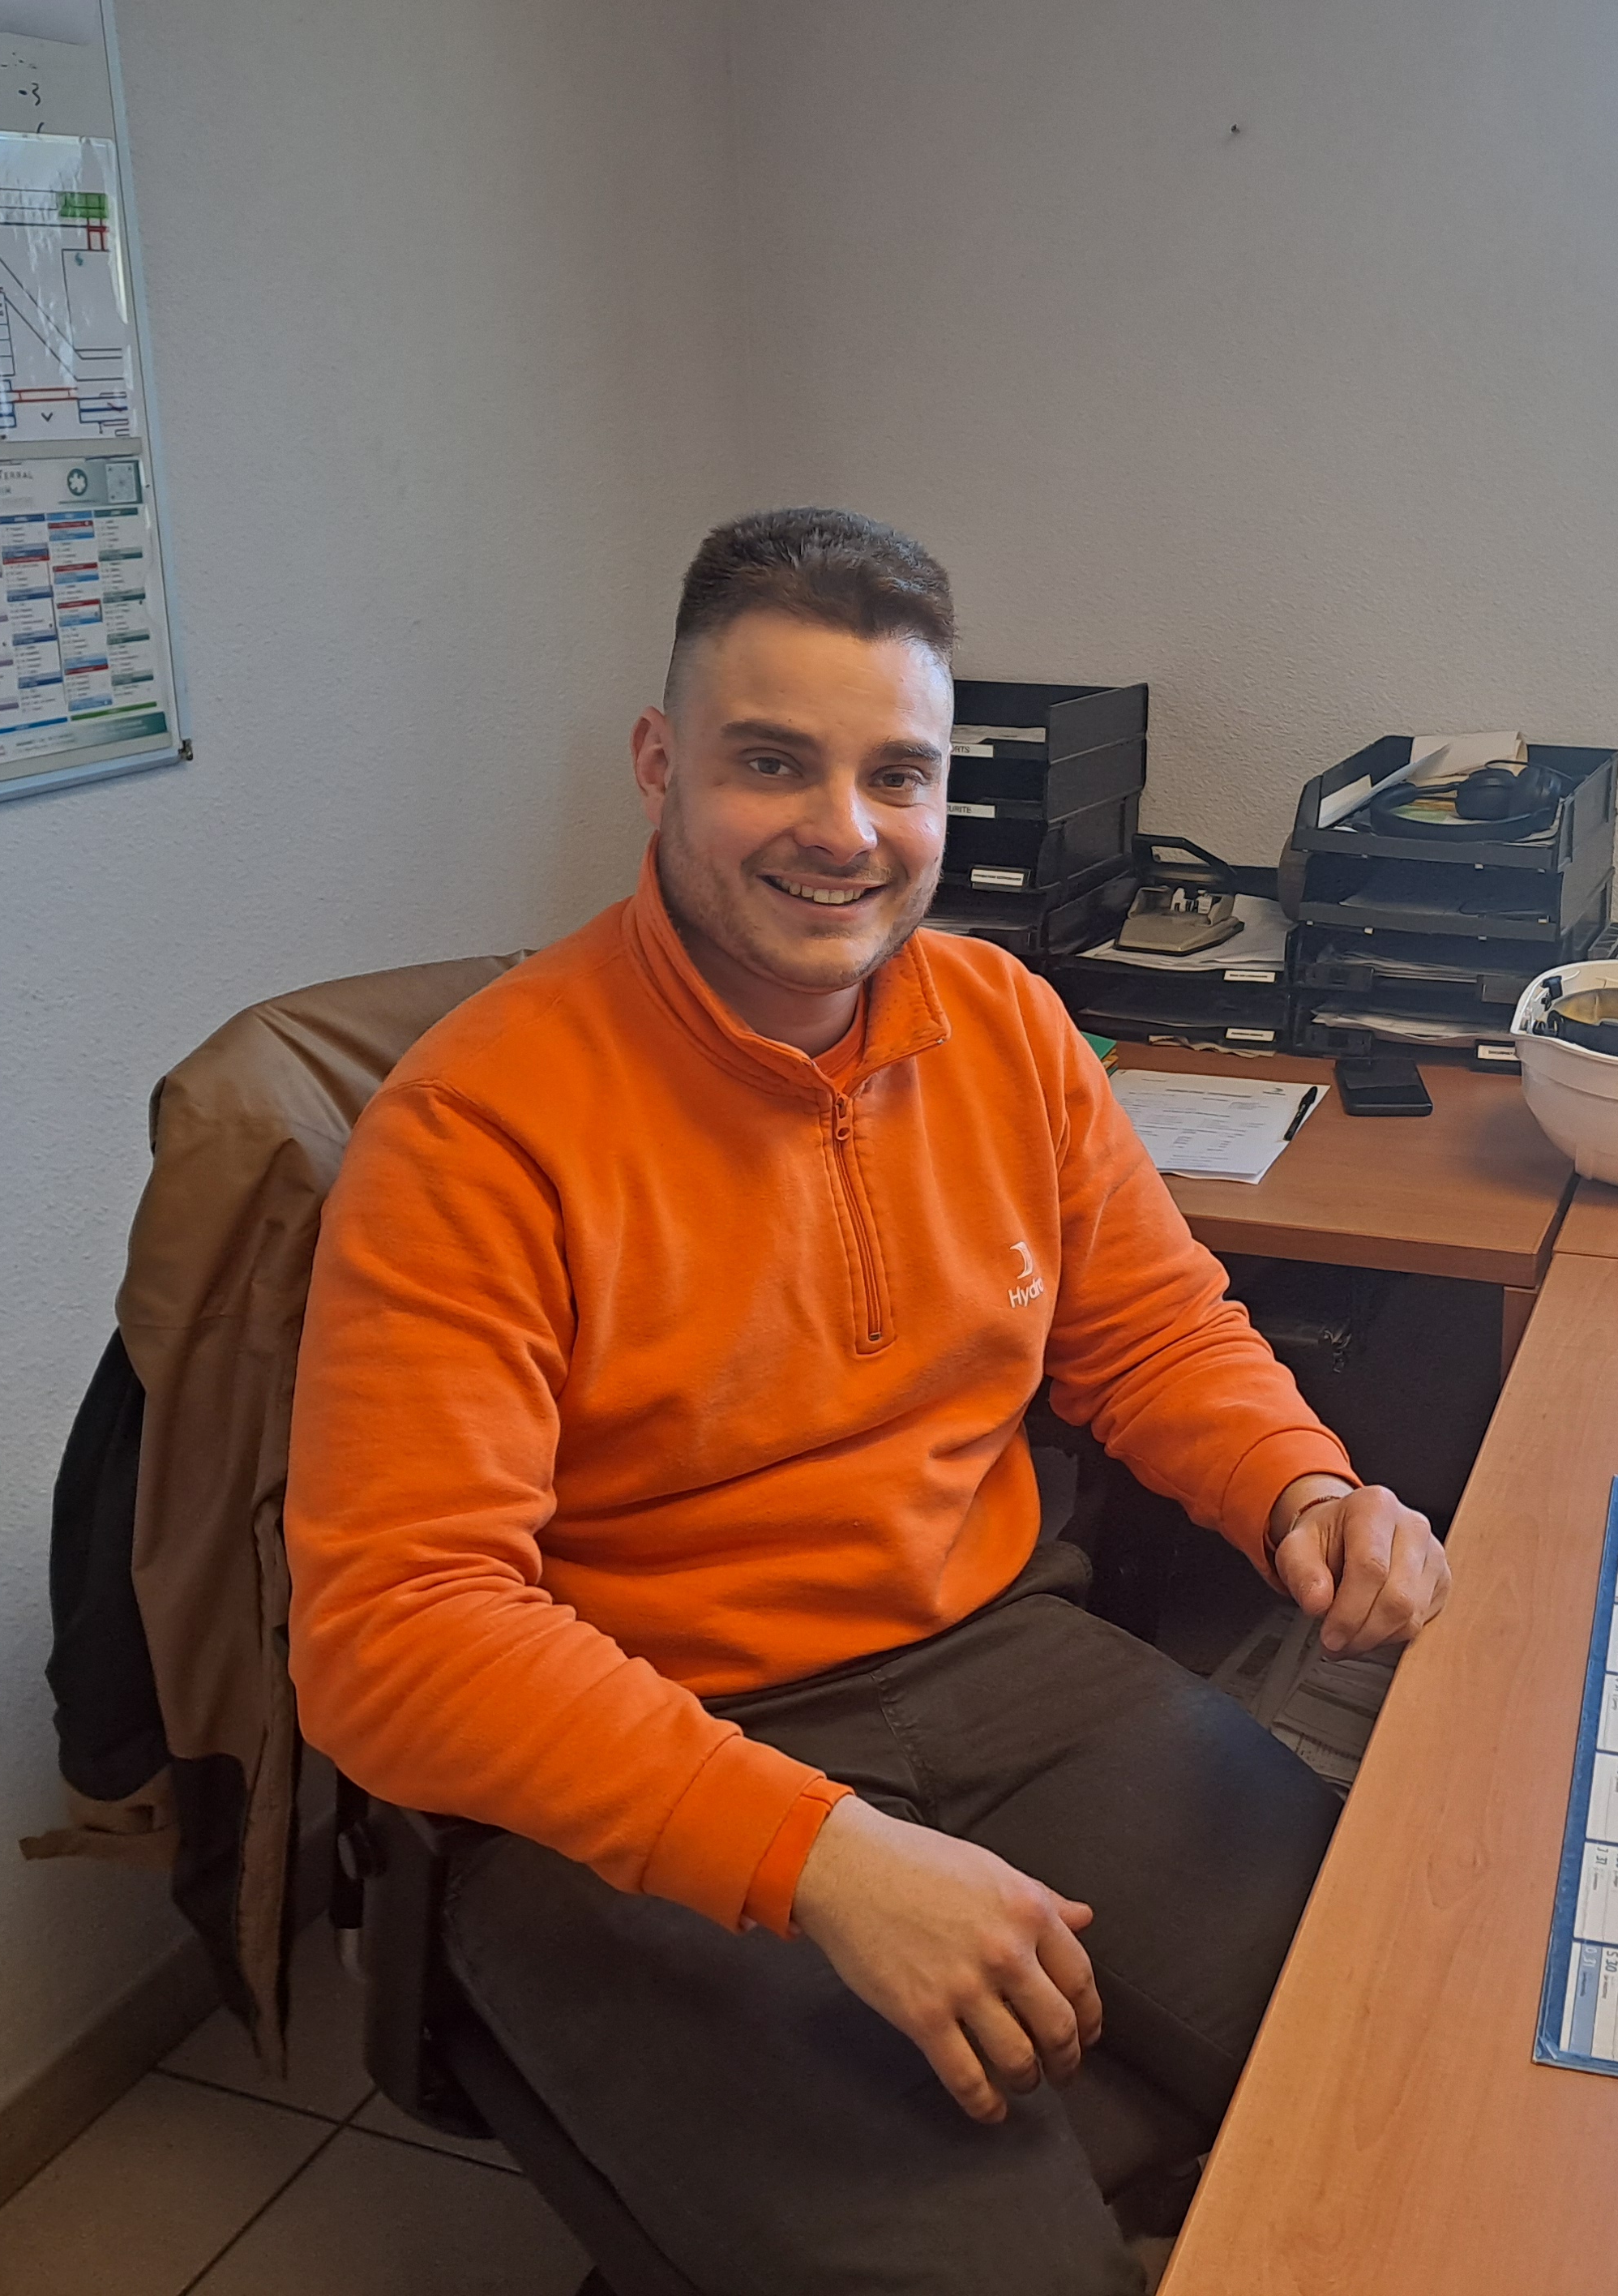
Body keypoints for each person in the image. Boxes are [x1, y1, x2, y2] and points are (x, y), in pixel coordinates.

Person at [285, 506, 1450, 2294]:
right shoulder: (477, 1127)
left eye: (893, 776)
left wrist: (1296, 1492)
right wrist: (813, 1854)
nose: (843, 832)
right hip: (645, 1744)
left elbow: (1150, 1336)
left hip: (1000, 1670)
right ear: (661, 767)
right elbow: (394, 1634)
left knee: (1419, 2079)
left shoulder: (1004, 1024)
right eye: (772, 764)